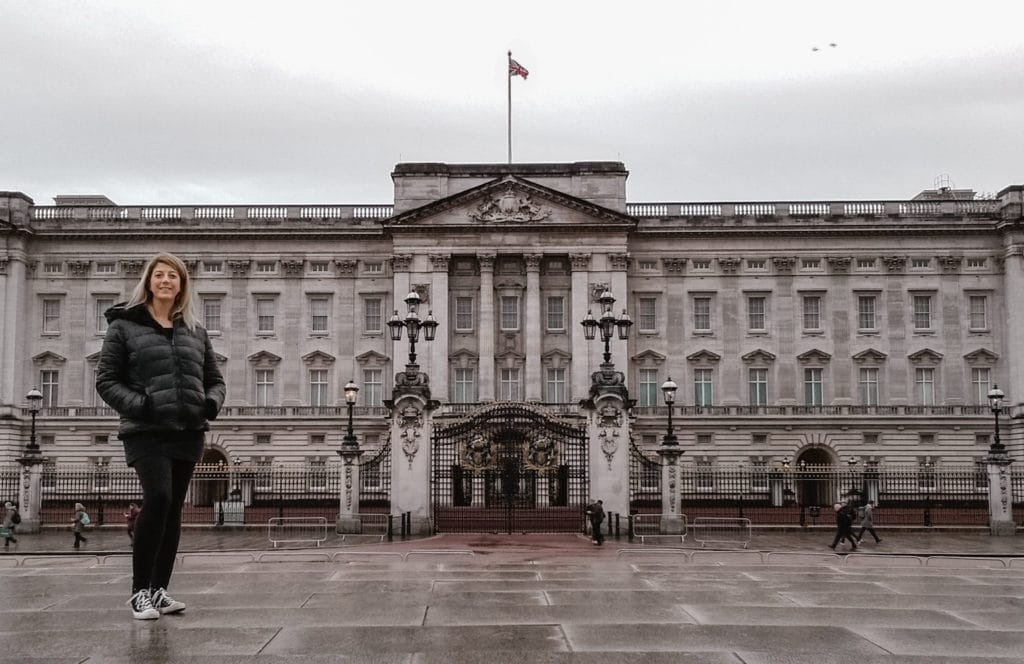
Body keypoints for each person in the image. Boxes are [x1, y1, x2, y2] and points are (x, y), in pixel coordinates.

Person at [96, 252, 225, 621]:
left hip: (187, 430)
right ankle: (139, 593)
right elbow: (106, 380)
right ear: (148, 282)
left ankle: (158, 589)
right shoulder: (124, 327)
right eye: (160, 275)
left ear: (182, 284)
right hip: (146, 429)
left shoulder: (195, 331)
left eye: (174, 276)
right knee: (159, 498)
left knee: (172, 511)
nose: (166, 281)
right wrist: (142, 405)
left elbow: (214, 379)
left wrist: (209, 404)